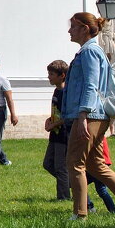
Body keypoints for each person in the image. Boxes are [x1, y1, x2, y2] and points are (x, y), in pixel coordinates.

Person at [62, 12, 115, 221]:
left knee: (75, 162)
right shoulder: (91, 51)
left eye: (73, 26)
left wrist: (83, 114)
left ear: (84, 29)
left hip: (90, 115)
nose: (69, 30)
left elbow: (91, 85)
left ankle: (80, 213)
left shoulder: (90, 52)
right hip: (96, 115)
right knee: (96, 165)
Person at [42, 60, 70, 201]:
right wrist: (50, 119)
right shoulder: (56, 91)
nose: (49, 77)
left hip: (63, 135)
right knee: (48, 164)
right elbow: (57, 112)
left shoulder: (66, 92)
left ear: (62, 76)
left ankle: (64, 197)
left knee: (60, 167)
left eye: (51, 74)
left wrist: (55, 124)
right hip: (54, 134)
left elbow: (67, 116)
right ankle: (71, 183)